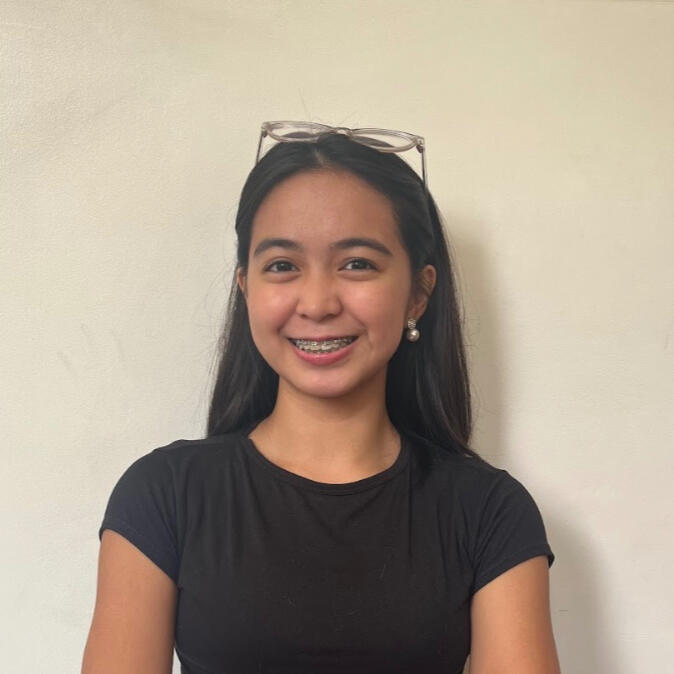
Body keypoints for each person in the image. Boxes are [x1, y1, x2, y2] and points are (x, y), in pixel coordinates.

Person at [82, 122, 561, 674]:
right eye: (282, 266)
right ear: (246, 288)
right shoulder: (164, 495)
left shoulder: (489, 514)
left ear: (418, 293)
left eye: (357, 263)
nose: (316, 303)